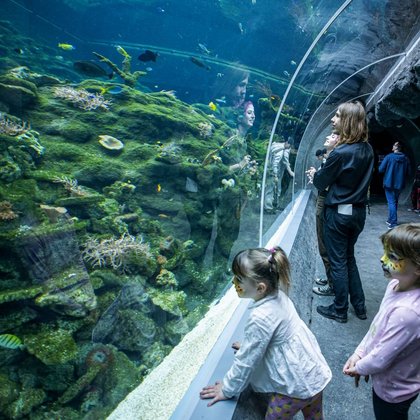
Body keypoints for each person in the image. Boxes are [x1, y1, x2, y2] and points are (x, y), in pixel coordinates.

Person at [200, 247, 332, 419]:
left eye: (239, 279)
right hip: (314, 374)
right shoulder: (279, 295)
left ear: (260, 288)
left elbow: (247, 361)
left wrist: (227, 389)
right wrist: (251, 343)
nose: (234, 283)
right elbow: (273, 336)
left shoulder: (260, 317)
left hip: (293, 389)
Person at [343, 223, 420, 420]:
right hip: (386, 379)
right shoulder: (395, 284)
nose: (382, 259)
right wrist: (360, 352)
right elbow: (377, 326)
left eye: (392, 257)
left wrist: (359, 368)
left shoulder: (408, 313)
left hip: (395, 391)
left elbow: (380, 359)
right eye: (385, 252)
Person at [307, 101, 374, 323]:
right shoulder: (367, 149)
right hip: (358, 214)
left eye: (337, 116)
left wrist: (318, 172)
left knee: (338, 262)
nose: (332, 119)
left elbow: (320, 182)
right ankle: (360, 306)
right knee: (349, 258)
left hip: (338, 214)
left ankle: (339, 309)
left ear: (346, 121)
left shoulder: (340, 153)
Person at [307, 132, 340, 297]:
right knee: (324, 244)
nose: (328, 136)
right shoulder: (333, 158)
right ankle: (330, 280)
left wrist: (315, 176)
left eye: (333, 135)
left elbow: (327, 185)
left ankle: (333, 286)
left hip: (326, 201)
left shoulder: (336, 158)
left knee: (325, 245)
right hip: (325, 200)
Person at [378, 141, 411, 229]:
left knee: (391, 202)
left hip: (389, 183)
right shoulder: (406, 158)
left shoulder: (389, 157)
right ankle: (390, 219)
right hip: (400, 184)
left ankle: (393, 223)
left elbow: (381, 169)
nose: (392, 146)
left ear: (396, 147)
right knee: (394, 202)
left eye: (394, 145)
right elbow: (409, 172)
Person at [264, 140, 294, 213]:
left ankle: (275, 205)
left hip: (276, 172)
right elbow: (275, 163)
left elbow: (284, 161)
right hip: (273, 172)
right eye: (290, 147)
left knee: (276, 189)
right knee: (270, 189)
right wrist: (275, 175)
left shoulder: (280, 147)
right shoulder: (280, 150)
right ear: (287, 144)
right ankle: (268, 208)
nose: (290, 149)